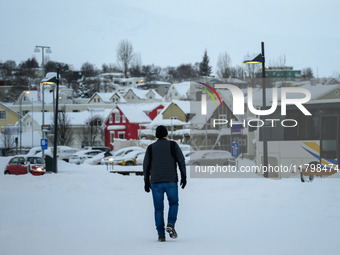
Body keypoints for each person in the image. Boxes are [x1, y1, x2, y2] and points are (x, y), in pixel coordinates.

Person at [143, 125, 187, 242]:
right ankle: (171, 224)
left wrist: (146, 181)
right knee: (173, 203)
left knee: (158, 209)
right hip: (171, 181)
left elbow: (146, 166)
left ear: (156, 135)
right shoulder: (173, 145)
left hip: (156, 183)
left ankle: (161, 235)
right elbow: (181, 161)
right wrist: (184, 176)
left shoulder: (151, 148)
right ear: (166, 134)